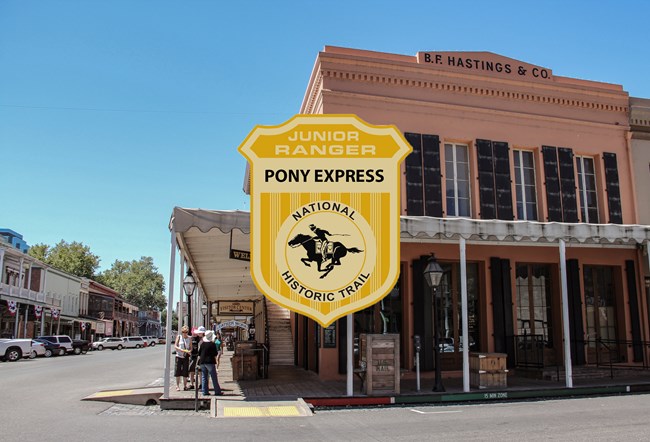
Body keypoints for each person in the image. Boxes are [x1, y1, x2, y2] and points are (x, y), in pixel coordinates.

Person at [198, 330, 223, 397]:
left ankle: (205, 391)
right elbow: (215, 353)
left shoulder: (202, 344)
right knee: (213, 377)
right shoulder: (212, 344)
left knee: (204, 377)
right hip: (210, 362)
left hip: (202, 362)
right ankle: (217, 391)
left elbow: (199, 353)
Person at [173, 325, 191, 391]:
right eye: (183, 332)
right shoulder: (179, 337)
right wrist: (182, 350)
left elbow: (190, 347)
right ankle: (177, 386)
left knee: (185, 371)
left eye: (186, 332)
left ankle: (185, 385)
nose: (184, 333)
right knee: (177, 371)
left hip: (185, 357)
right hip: (179, 356)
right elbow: (175, 346)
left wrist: (189, 351)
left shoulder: (189, 338)